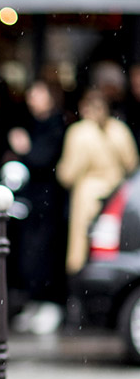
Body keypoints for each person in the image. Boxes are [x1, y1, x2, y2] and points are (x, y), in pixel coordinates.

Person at [57, 88, 139, 277]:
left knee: (81, 250)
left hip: (87, 196)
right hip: (116, 196)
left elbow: (67, 175)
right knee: (112, 246)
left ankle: (82, 292)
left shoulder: (79, 132)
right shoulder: (119, 130)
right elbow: (132, 164)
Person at [7, 80, 68, 333]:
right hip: (33, 202)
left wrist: (24, 148)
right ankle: (34, 302)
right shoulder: (33, 123)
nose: (32, 99)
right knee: (30, 253)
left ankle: (47, 303)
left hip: (48, 203)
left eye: (37, 94)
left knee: (43, 252)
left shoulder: (56, 125)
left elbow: (44, 159)